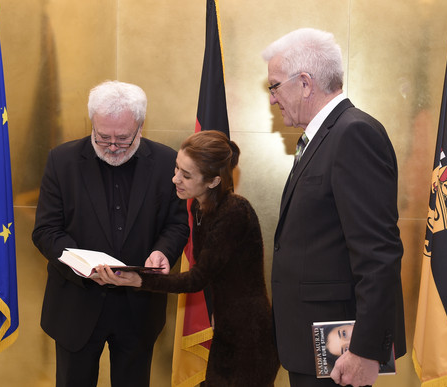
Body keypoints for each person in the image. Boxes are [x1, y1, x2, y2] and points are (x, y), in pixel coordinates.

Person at [262, 28, 406, 387]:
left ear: (306, 83)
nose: (272, 99)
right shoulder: (324, 136)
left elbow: (378, 254)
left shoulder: (353, 135)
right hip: (312, 346)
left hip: (340, 353)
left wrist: (366, 351)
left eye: (275, 86)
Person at [32, 80, 190, 387]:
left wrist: (163, 251)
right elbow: (46, 230)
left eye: (123, 138)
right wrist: (83, 265)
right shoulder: (61, 161)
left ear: (140, 127)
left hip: (138, 307)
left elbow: (176, 223)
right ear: (91, 123)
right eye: (103, 137)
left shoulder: (166, 163)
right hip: (76, 304)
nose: (113, 147)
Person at [96, 130, 280, 386]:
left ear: (214, 181)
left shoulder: (234, 211)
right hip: (226, 329)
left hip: (250, 338)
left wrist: (139, 280)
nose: (175, 179)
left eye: (186, 174)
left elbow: (196, 279)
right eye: (176, 169)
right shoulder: (199, 206)